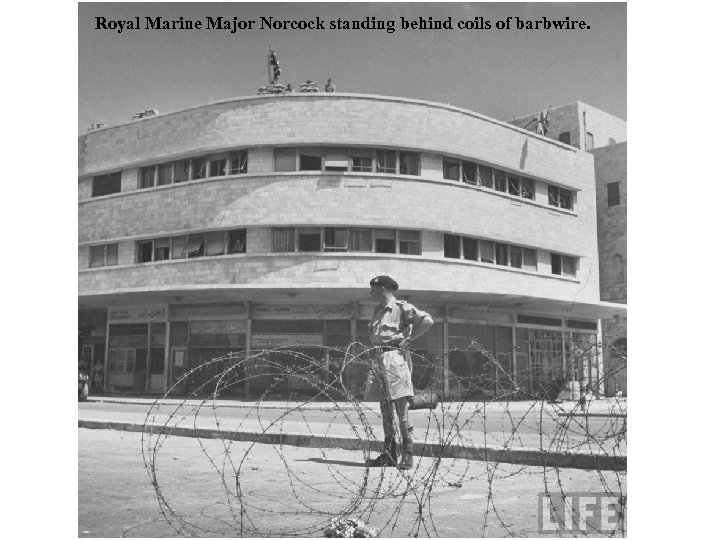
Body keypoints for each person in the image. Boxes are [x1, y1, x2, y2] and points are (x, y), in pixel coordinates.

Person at [365, 275, 434, 470]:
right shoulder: (378, 310)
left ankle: (407, 454)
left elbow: (427, 321)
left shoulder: (402, 307)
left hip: (395, 358)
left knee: (401, 411)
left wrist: (409, 339)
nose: (371, 292)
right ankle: (389, 454)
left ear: (383, 288)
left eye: (374, 289)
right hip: (379, 358)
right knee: (385, 410)